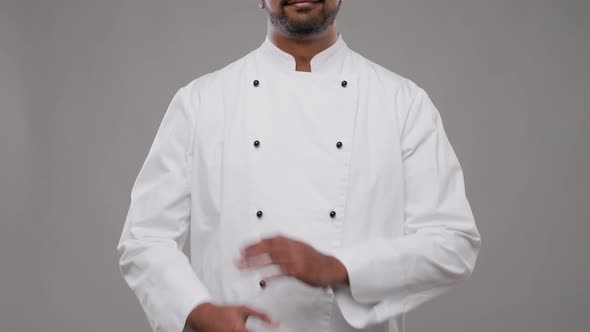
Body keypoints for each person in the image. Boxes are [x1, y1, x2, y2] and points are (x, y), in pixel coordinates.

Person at [116, 1, 482, 331]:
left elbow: (453, 242)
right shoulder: (201, 102)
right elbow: (145, 237)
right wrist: (198, 312)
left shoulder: (402, 104)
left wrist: (338, 268)